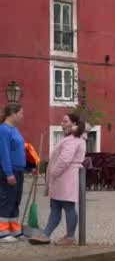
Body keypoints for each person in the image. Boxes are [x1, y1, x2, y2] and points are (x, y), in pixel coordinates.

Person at [29, 113, 86, 246]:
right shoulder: (71, 138)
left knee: (68, 206)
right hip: (62, 178)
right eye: (62, 121)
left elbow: (65, 159)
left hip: (65, 178)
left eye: (65, 121)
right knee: (55, 206)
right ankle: (46, 235)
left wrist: (53, 173)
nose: (62, 123)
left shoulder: (72, 139)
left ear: (73, 124)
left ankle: (70, 237)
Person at [0, 104, 26, 243]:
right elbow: (4, 153)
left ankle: (14, 229)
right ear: (12, 114)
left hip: (19, 169)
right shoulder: (3, 130)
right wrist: (8, 173)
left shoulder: (15, 129)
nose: (22, 116)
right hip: (9, 170)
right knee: (6, 200)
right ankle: (2, 231)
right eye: (21, 113)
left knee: (16, 200)